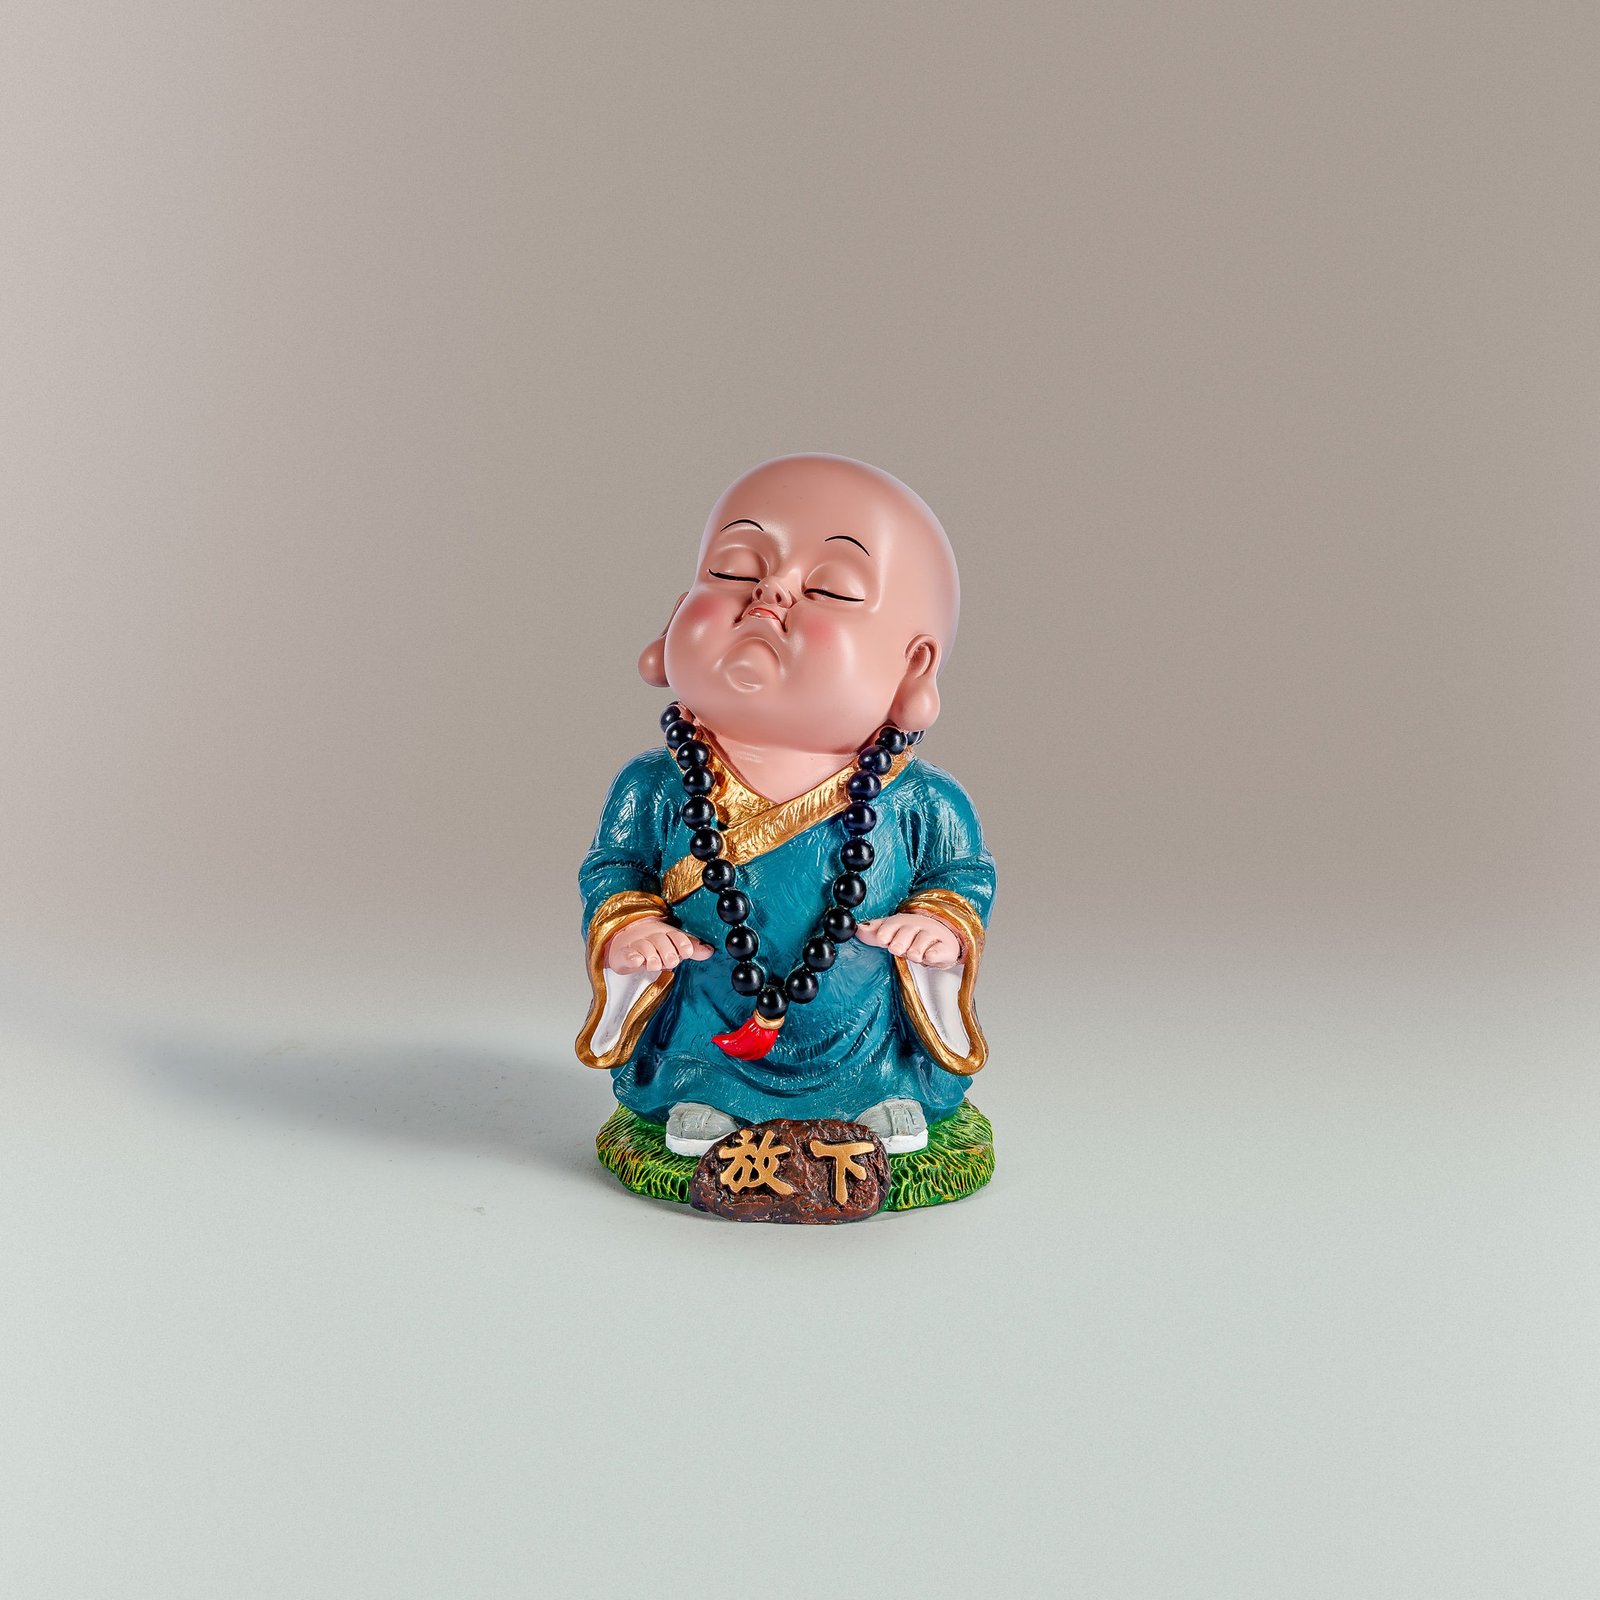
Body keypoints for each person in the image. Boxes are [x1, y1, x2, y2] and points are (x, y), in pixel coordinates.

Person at [575, 454, 995, 1156]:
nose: (768, 596)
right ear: (675, 617)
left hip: (862, 1027)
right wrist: (631, 926)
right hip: (709, 1014)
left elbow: (964, 877)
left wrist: (939, 925)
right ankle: (703, 1088)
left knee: (870, 1041)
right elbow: (613, 868)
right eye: (734, 570)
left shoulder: (922, 800)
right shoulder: (655, 786)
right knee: (705, 1027)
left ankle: (880, 1089)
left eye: (828, 588)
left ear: (912, 666)